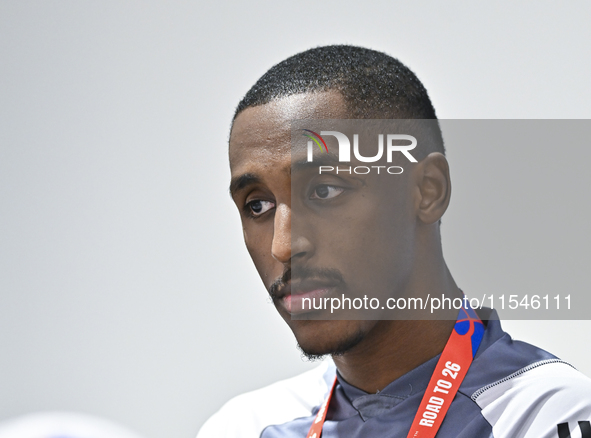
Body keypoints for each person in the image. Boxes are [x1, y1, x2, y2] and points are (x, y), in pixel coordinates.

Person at [197, 45, 591, 438]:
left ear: (427, 191)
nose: (282, 246)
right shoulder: (242, 427)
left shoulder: (547, 416)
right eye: (259, 205)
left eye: (324, 191)